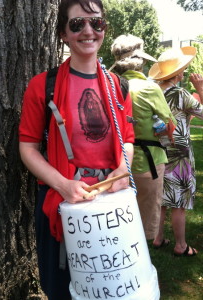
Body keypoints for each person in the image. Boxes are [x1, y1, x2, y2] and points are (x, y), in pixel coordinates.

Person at [18, 1, 134, 299]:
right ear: (62, 34)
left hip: (110, 205)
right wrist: (64, 185)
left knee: (113, 288)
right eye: (77, 24)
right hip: (63, 202)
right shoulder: (42, 86)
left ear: (104, 29)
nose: (88, 31)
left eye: (96, 23)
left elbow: (128, 140)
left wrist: (123, 169)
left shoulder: (118, 86)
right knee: (63, 291)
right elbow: (27, 147)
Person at [110, 34, 177, 241]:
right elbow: (169, 126)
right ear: (141, 61)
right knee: (144, 224)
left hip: (114, 165)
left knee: (119, 223)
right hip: (149, 165)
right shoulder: (149, 88)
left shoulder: (108, 86)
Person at [149, 47, 203, 255]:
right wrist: (199, 87)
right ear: (178, 73)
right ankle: (181, 246)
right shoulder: (180, 94)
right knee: (178, 200)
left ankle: (158, 237)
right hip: (179, 152)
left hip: (158, 150)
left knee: (161, 198)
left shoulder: (152, 91)